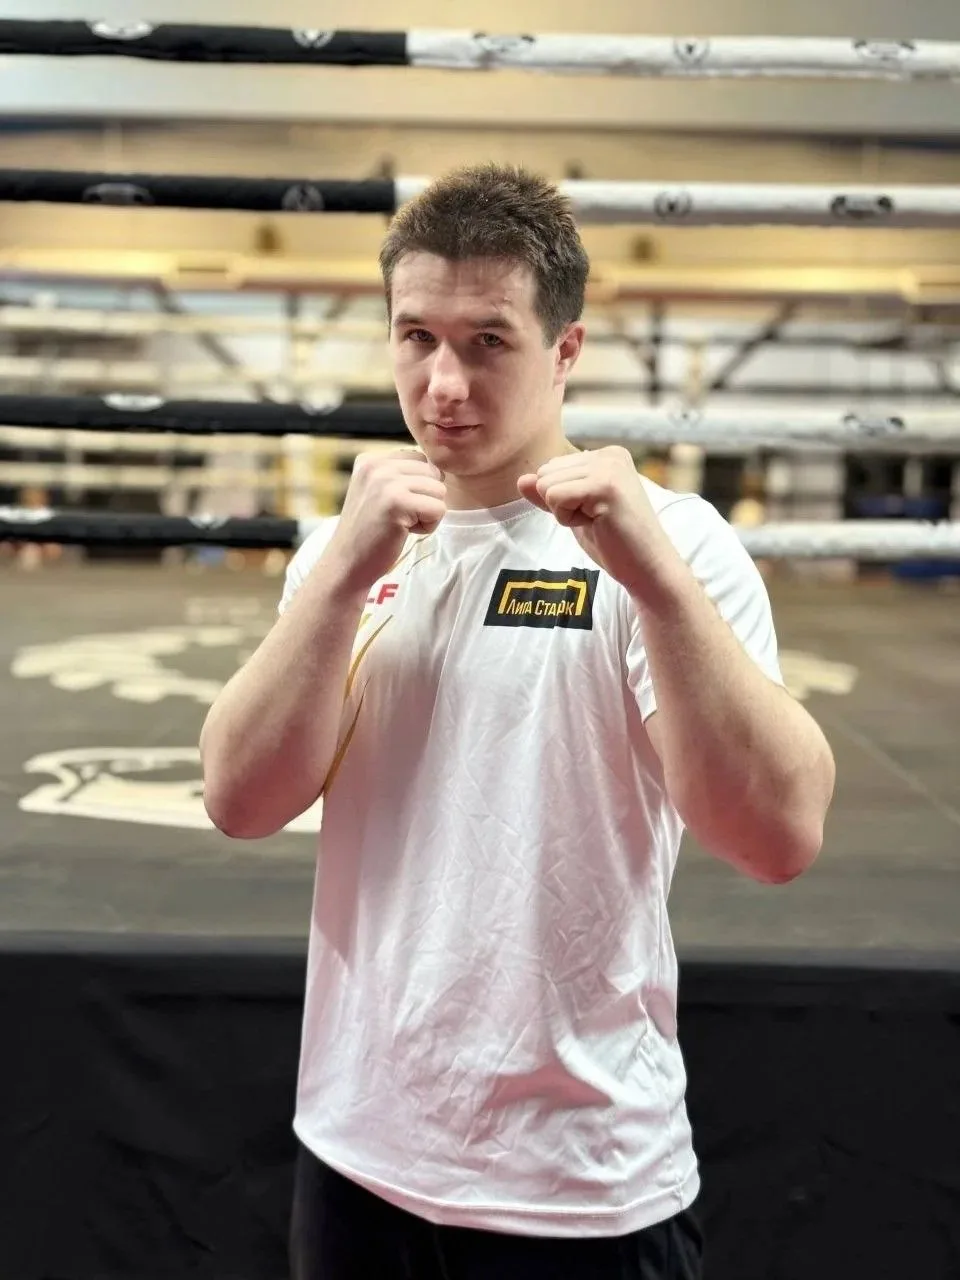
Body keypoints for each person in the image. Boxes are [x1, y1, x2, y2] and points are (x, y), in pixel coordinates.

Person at [199, 164, 836, 1280]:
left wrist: (658, 585)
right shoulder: (346, 551)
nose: (443, 382)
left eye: (488, 341)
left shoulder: (674, 542)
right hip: (357, 1157)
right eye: (416, 337)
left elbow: (777, 837)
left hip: (581, 1185)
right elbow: (240, 801)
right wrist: (340, 575)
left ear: (565, 349)